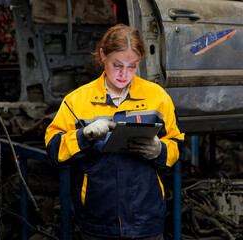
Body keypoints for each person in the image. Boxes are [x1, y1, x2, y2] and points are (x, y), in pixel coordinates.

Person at [44, 24, 184, 240]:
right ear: (102, 56)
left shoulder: (157, 97)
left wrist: (160, 150)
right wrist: (84, 136)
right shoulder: (77, 101)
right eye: (117, 65)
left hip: (146, 221)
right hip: (97, 221)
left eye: (132, 66)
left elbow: (176, 143)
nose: (124, 74)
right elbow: (55, 151)